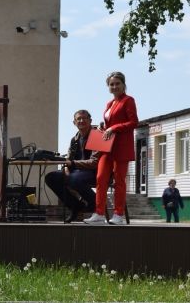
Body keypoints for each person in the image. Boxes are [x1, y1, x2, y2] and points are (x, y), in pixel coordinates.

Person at [85, 71, 138, 225]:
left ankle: (118, 214)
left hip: (121, 147)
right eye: (111, 84)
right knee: (101, 178)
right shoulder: (110, 103)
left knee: (119, 181)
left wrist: (113, 128)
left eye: (117, 83)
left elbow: (134, 122)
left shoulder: (128, 100)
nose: (114, 86)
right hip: (106, 147)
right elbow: (110, 124)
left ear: (123, 85)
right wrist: (105, 127)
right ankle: (99, 213)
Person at [45, 109, 100, 223]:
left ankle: (95, 205)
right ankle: (75, 206)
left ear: (90, 120)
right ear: (74, 122)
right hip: (77, 171)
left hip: (95, 171)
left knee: (73, 179)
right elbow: (68, 160)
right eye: (78, 119)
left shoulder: (97, 135)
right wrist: (66, 169)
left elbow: (94, 162)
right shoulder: (74, 139)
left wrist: (72, 164)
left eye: (84, 118)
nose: (81, 121)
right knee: (51, 177)